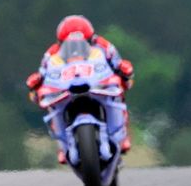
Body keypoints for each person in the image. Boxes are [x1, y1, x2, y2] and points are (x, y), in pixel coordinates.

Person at [25, 15, 135, 163]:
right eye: (68, 45)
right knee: (52, 107)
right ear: (61, 42)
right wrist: (37, 82)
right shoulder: (51, 53)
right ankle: (62, 145)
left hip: (95, 83)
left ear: (91, 39)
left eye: (82, 43)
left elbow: (117, 62)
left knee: (118, 95)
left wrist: (124, 71)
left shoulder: (103, 45)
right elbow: (44, 73)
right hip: (67, 87)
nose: (75, 49)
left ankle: (122, 134)